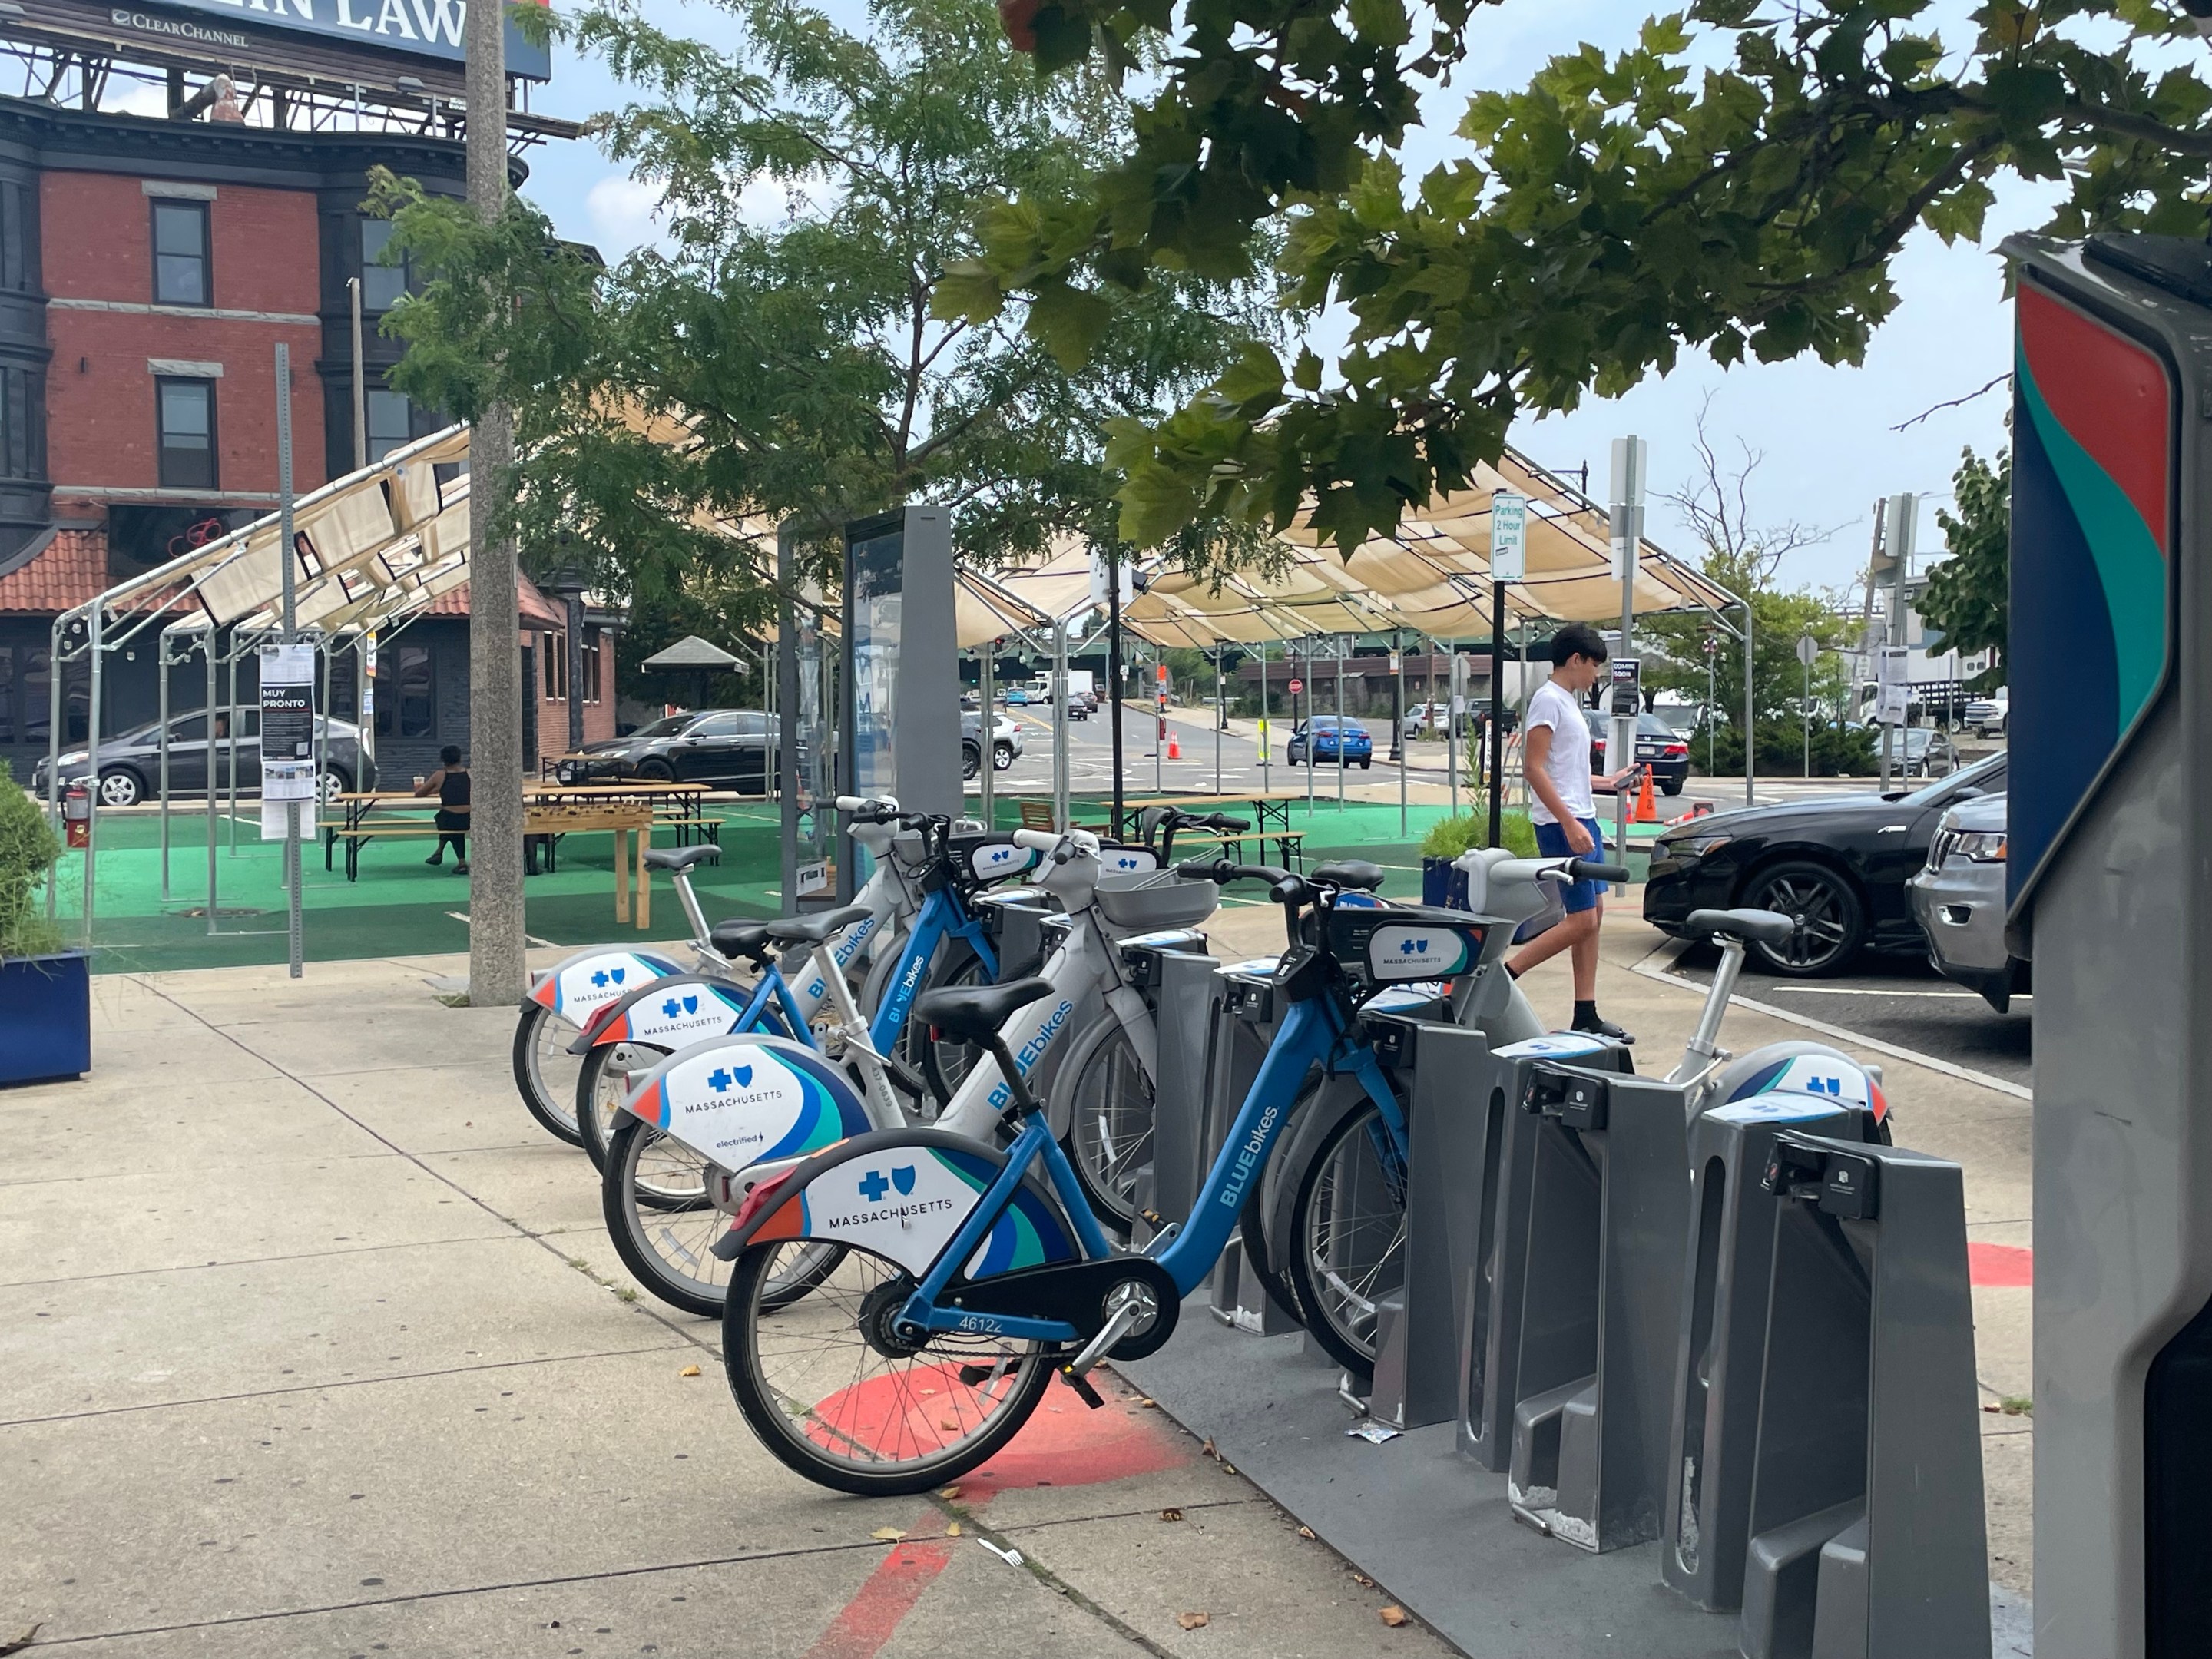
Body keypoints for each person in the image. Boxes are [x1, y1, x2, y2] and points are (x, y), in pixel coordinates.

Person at [1505, 623, 1639, 1040]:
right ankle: (1505, 974)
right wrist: (1568, 823)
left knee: (1593, 917)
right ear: (1575, 660)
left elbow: (1567, 772)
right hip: (1565, 824)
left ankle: (1586, 1010)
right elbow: (1533, 768)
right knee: (1581, 921)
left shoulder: (1566, 701)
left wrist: (1609, 781)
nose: (1596, 676)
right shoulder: (1548, 701)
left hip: (1583, 817)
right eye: (1594, 666)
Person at [415, 745, 470, 874]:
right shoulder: (470, 773)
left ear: (443, 759)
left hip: (449, 819)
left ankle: (460, 862)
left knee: (446, 820)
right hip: (470, 817)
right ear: (460, 758)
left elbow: (419, 793)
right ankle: (439, 853)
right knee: (452, 823)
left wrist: (435, 790)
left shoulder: (440, 775)